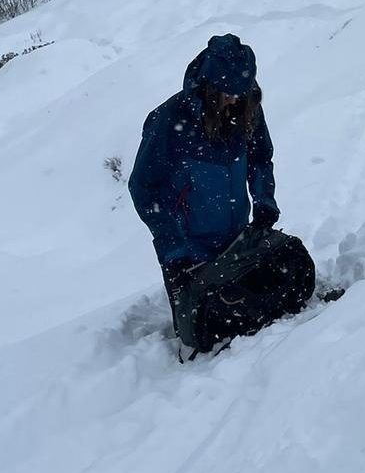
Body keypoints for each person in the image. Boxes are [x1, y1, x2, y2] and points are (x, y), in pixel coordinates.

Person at [129, 34, 314, 354]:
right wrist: (174, 248)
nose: (234, 101)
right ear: (209, 87)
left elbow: (259, 158)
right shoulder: (170, 120)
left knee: (263, 302)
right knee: (203, 334)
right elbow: (144, 188)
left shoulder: (247, 108)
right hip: (187, 251)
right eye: (227, 93)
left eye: (241, 93)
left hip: (237, 237)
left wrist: (264, 200)